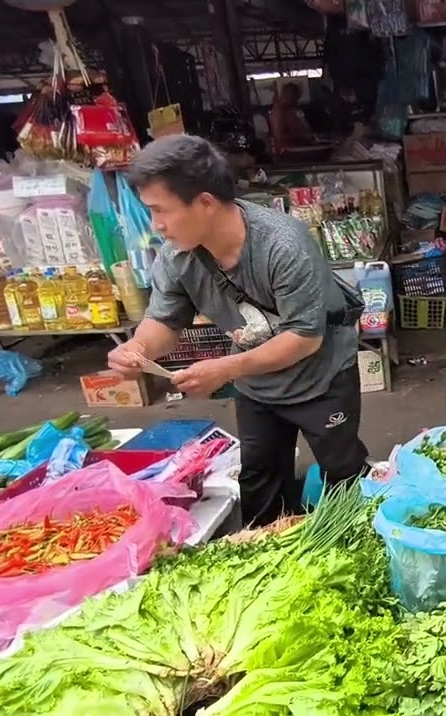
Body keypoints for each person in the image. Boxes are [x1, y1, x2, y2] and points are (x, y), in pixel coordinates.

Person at [107, 135, 368, 525]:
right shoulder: (178, 255)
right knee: (260, 477)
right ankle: (268, 555)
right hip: (257, 384)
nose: (156, 225)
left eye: (161, 211)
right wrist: (137, 348)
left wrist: (224, 369)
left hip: (322, 377)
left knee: (342, 469)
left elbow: (304, 338)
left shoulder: (283, 244)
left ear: (206, 202)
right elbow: (165, 320)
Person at [268, 82, 315, 156]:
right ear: (291, 96)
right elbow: (297, 132)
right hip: (292, 152)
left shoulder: (275, 110)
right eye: (296, 98)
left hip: (284, 151)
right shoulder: (286, 111)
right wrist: (309, 137)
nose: (297, 102)